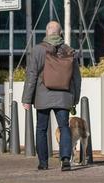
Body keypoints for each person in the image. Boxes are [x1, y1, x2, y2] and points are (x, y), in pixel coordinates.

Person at [21, 21, 82, 171]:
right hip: (63, 96)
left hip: (43, 96)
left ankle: (43, 163)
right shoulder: (69, 51)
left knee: (41, 128)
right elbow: (76, 78)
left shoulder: (37, 50)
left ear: (47, 32)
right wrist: (75, 98)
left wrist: (26, 99)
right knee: (64, 127)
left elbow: (31, 76)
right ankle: (66, 158)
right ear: (60, 33)